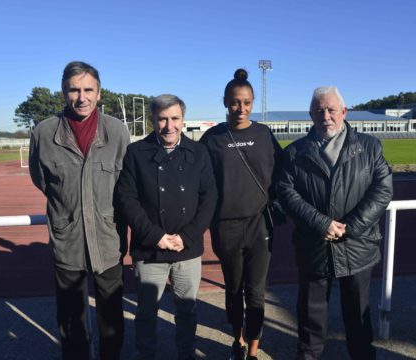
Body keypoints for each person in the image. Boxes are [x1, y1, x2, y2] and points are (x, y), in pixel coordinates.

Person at [276, 86, 393, 360]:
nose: (325, 116)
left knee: (358, 318)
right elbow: (286, 192)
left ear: (344, 112)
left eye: (330, 110)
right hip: (314, 247)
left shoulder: (370, 147)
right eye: (319, 110)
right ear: (310, 114)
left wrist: (350, 227)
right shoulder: (293, 153)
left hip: (357, 246)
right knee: (310, 320)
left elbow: (383, 189)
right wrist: (321, 223)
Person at [29, 61, 130, 360]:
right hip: (67, 240)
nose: (81, 97)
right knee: (71, 318)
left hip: (108, 238)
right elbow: (42, 179)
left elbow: (125, 183)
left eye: (88, 89)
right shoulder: (44, 133)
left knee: (111, 317)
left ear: (99, 93)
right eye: (74, 89)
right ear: (63, 92)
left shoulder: (117, 131)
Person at [116, 94, 217, 360]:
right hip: (150, 249)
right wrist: (155, 236)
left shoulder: (198, 152)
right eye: (162, 119)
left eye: (174, 118)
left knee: (187, 309)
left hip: (188, 247)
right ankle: (146, 354)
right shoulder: (136, 152)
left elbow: (209, 198)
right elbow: (127, 199)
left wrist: (187, 236)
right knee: (147, 311)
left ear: (183, 120)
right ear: (153, 120)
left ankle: (186, 353)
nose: (169, 125)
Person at [200, 69, 282, 360]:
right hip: (225, 227)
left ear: (253, 103)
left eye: (247, 102)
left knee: (256, 292)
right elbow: (200, 181)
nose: (241, 108)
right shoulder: (212, 138)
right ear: (225, 102)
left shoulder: (264, 134)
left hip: (260, 225)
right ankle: (237, 340)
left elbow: (284, 173)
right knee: (233, 290)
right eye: (235, 102)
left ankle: (254, 350)